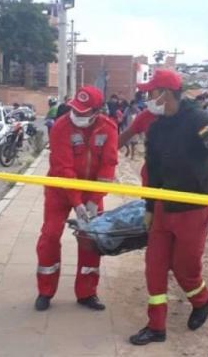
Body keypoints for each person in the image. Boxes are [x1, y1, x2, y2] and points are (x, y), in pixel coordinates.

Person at [128, 69, 208, 346]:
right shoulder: (156, 126)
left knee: (184, 268)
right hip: (164, 206)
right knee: (154, 266)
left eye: (151, 93)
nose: (148, 98)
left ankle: (202, 299)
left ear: (166, 93)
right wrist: (150, 207)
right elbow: (153, 170)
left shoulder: (199, 121)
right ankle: (156, 326)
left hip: (192, 208)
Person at [35, 86, 118, 312]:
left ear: (96, 111)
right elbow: (63, 168)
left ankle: (87, 292)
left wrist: (94, 198)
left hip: (91, 192)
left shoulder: (108, 127)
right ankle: (45, 291)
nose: (77, 115)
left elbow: (108, 164)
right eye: (75, 110)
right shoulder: (61, 126)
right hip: (59, 191)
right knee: (50, 235)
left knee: (91, 240)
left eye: (83, 112)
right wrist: (76, 202)